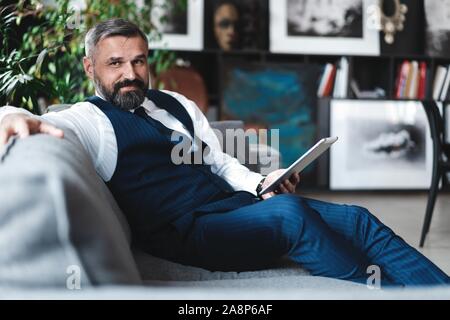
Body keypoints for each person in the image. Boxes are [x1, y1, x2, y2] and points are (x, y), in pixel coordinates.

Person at [0, 18, 449, 287]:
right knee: (291, 216)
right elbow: (49, 119)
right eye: (115, 63)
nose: (130, 73)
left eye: (138, 61)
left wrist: (261, 184)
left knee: (359, 219)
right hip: (188, 231)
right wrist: (7, 114)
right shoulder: (92, 120)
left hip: (234, 208)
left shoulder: (179, 105)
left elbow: (218, 160)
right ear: (90, 68)